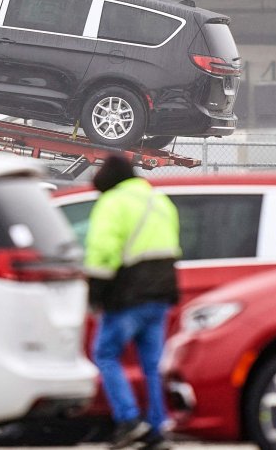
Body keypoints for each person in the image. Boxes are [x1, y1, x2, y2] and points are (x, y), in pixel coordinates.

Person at [85, 154, 180, 450]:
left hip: (127, 295)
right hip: (161, 295)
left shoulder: (113, 202)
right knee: (152, 365)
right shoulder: (159, 201)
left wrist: (95, 293)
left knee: (104, 353)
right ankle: (155, 428)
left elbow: (103, 252)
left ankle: (128, 420)